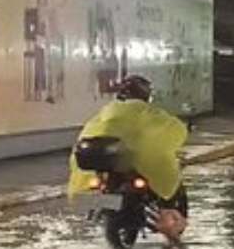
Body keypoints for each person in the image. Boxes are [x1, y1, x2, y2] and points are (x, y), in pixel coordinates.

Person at [68, 74, 190, 240]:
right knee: (169, 179)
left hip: (101, 165)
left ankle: (104, 208)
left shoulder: (106, 113)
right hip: (133, 168)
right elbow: (174, 128)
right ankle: (168, 216)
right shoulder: (148, 112)